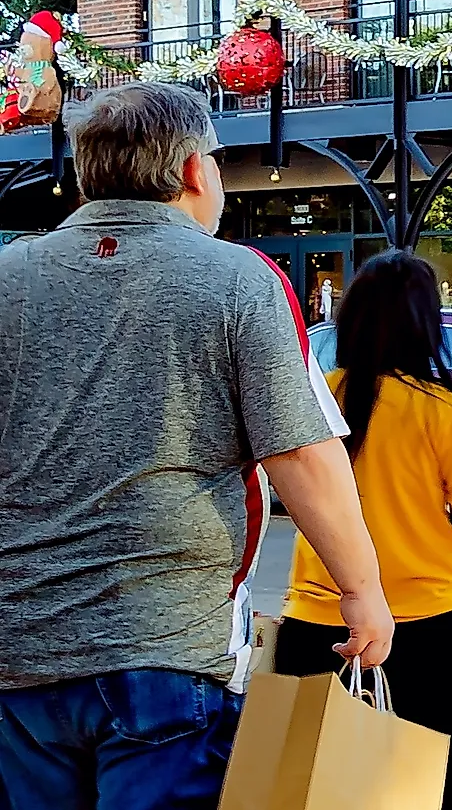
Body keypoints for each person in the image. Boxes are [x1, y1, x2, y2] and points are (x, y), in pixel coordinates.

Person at [0, 81, 394, 810]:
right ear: (191, 169)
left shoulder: (10, 276)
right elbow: (300, 452)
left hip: (18, 653)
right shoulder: (238, 279)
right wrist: (362, 591)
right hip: (166, 643)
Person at [277, 250, 452, 810]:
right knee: (434, 792)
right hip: (426, 625)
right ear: (426, 324)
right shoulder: (443, 410)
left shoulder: (316, 399)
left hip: (315, 622)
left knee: (304, 794)